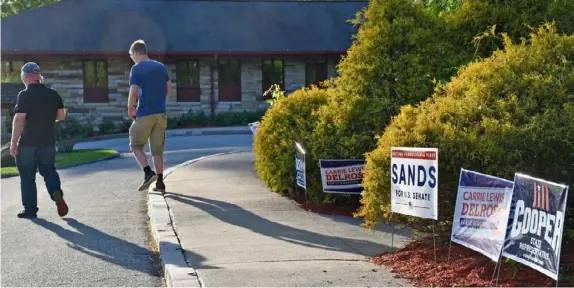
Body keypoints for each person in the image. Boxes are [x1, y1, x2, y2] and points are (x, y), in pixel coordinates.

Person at [10, 62, 69, 218]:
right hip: (48, 142)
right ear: (39, 77)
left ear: (28, 77)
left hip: (28, 143)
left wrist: (13, 143)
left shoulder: (24, 95)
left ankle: (30, 209)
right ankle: (55, 191)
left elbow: (19, 120)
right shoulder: (53, 94)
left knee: (27, 175)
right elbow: (61, 116)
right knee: (48, 169)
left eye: (23, 76)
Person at [127, 39, 172, 192]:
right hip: (161, 113)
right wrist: (158, 101)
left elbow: (133, 92)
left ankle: (148, 173)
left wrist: (130, 107)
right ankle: (160, 182)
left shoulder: (137, 68)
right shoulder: (160, 67)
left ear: (136, 53)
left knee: (135, 144)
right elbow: (169, 89)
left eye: (132, 55)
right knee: (157, 150)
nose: (132, 58)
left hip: (145, 113)